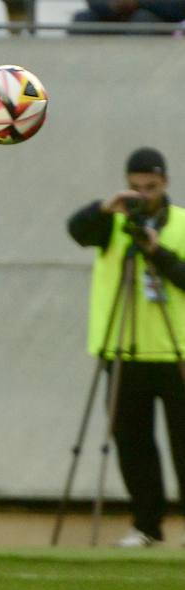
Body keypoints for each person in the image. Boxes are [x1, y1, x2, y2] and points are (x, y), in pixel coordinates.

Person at [67, 147, 185, 548]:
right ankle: (147, 525)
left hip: (177, 354)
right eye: (135, 188)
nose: (143, 196)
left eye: (150, 188)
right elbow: (76, 231)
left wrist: (158, 252)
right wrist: (105, 208)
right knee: (133, 446)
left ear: (165, 183)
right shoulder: (112, 224)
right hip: (123, 353)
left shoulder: (182, 225)